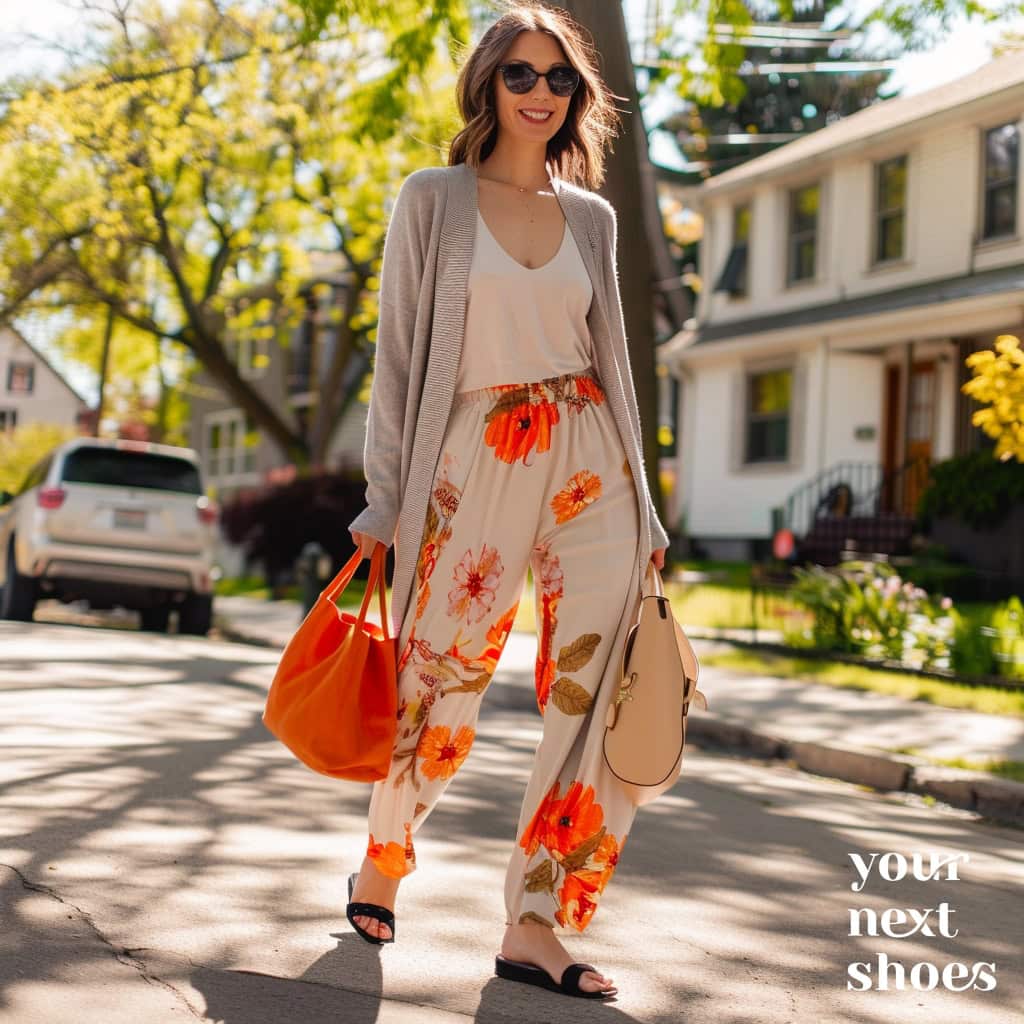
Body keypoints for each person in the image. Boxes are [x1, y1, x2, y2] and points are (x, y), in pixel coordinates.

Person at [346, 1, 669, 1001]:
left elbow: (613, 360)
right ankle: (384, 856)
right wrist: (381, 498)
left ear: (578, 96)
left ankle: (539, 918)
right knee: (441, 673)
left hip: (587, 450)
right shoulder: (432, 199)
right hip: (472, 451)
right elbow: (398, 358)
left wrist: (648, 515)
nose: (539, 93)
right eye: (520, 74)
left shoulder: (593, 218)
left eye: (558, 78)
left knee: (605, 679)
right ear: (487, 83)